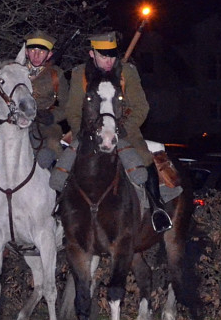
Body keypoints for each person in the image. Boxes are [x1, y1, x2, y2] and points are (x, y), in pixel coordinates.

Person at [58, 29, 172, 233]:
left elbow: (141, 107)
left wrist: (123, 127)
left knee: (144, 157)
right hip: (89, 132)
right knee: (63, 162)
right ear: (92, 53)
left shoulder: (127, 72)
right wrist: (82, 132)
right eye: (104, 55)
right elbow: (73, 110)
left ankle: (157, 208)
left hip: (123, 129)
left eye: (112, 55)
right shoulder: (79, 74)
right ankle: (58, 209)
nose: (109, 61)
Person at [0, 30, 69, 229]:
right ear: (26, 52)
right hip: (13, 125)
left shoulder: (56, 75)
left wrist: (52, 116)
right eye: (32, 50)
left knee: (49, 154)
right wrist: (6, 114)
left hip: (45, 126)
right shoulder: (13, 70)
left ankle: (58, 208)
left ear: (49, 54)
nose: (36, 55)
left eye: (42, 52)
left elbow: (67, 106)